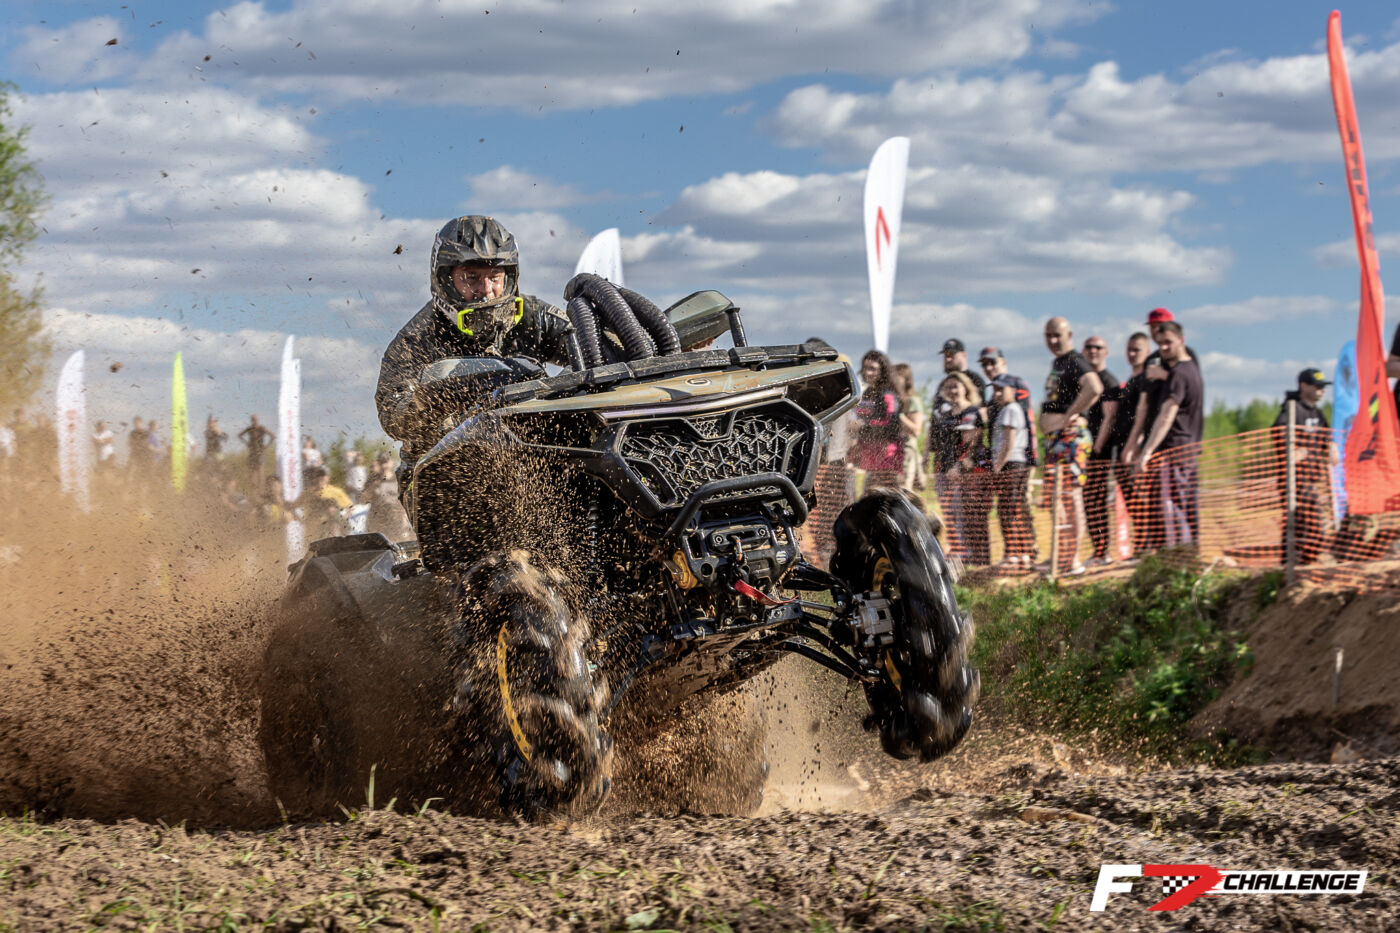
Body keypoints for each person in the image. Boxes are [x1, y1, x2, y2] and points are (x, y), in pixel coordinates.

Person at [376, 216, 571, 485]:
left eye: (495, 277)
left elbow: (591, 347)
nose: (486, 290)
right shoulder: (416, 338)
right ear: (445, 279)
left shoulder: (535, 316)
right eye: (471, 278)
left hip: (532, 456)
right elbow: (390, 414)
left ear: (509, 277)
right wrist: (433, 399)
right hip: (444, 470)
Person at [1038, 317, 1101, 573]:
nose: (1053, 340)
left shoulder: (1075, 360)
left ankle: (1072, 559)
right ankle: (1060, 555)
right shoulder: (1059, 362)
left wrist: (1069, 415)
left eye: (1058, 335)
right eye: (1048, 335)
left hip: (1071, 439)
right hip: (1056, 440)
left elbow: (1094, 387)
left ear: (1070, 335)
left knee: (1072, 497)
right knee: (1058, 498)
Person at [1136, 321, 1204, 548]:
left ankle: (1176, 557)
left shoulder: (1179, 374)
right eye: (1160, 344)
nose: (1164, 348)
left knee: (1170, 506)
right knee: (1185, 505)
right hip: (1188, 450)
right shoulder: (1192, 370)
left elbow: (1166, 415)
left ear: (1181, 341)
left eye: (1168, 342)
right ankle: (1188, 554)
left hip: (1174, 450)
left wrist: (1146, 451)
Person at [1274, 369, 1339, 564]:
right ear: (1303, 386)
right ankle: (1303, 562)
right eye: (1317, 387)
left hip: (1312, 477)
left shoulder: (1316, 412)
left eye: (1323, 387)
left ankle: (1294, 563)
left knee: (1299, 524)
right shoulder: (1292, 408)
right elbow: (1277, 432)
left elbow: (1326, 436)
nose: (1322, 391)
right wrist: (1291, 451)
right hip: (1294, 479)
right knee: (1311, 524)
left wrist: (1331, 447)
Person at [932, 372, 989, 564]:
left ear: (965, 387)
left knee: (961, 512)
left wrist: (961, 465)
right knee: (949, 513)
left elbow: (974, 442)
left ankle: (967, 551)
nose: (952, 390)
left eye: (956, 386)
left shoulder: (972, 412)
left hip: (963, 471)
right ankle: (955, 549)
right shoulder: (944, 413)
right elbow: (938, 440)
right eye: (948, 387)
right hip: (943, 468)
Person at [988, 374, 1036, 568]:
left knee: (1008, 509)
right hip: (1013, 464)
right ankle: (1021, 552)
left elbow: (1009, 442)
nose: (998, 393)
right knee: (1012, 508)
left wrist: (997, 467)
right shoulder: (1006, 410)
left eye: (1002, 389)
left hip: (1011, 464)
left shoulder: (1010, 409)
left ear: (1013, 390)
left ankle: (1014, 553)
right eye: (995, 390)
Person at [1080, 336, 1120, 566]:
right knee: (1088, 502)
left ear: (1106, 352)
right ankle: (1098, 551)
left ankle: (1102, 552)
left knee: (1096, 501)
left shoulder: (1108, 381)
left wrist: (1094, 450)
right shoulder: (1084, 380)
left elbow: (1110, 418)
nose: (1093, 350)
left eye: (1098, 347)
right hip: (1082, 451)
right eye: (1089, 347)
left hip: (1099, 453)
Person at [852, 350, 904, 492]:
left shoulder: (888, 395)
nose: (867, 372)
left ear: (882, 371)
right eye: (865, 368)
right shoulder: (867, 393)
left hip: (887, 459)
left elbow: (893, 427)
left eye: (872, 369)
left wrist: (863, 427)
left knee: (884, 498)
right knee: (869, 497)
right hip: (869, 457)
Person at [978, 347, 1037, 467]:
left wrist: (1032, 459)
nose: (988, 368)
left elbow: (1028, 421)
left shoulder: (1016, 384)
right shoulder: (992, 397)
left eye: (992, 362)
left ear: (1003, 362)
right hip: (999, 459)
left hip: (1016, 459)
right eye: (984, 365)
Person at [363, 451, 414, 542]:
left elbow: (405, 499)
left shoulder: (399, 478)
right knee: (378, 544)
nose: (384, 465)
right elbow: (362, 499)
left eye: (386, 462)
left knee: (398, 542)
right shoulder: (373, 480)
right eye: (381, 462)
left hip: (395, 516)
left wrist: (404, 515)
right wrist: (372, 487)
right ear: (378, 463)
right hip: (377, 516)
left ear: (392, 462)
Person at [892, 363, 927, 492]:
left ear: (906, 380)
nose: (892, 379)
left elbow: (916, 431)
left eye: (897, 376)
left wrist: (898, 415)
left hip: (907, 448)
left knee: (904, 488)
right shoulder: (895, 399)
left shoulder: (912, 401)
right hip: (893, 448)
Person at [941, 339, 987, 405]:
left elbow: (980, 407)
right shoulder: (943, 383)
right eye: (946, 356)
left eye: (951, 355)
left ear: (964, 355)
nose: (948, 359)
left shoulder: (974, 379)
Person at [239, 415, 274, 488]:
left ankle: (262, 490)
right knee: (252, 474)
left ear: (258, 420)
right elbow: (240, 435)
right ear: (251, 420)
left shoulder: (262, 428)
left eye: (255, 420)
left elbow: (273, 436)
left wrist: (266, 446)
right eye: (253, 420)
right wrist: (247, 443)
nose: (254, 421)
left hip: (260, 452)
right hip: (252, 453)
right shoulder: (249, 429)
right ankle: (255, 490)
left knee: (261, 474)